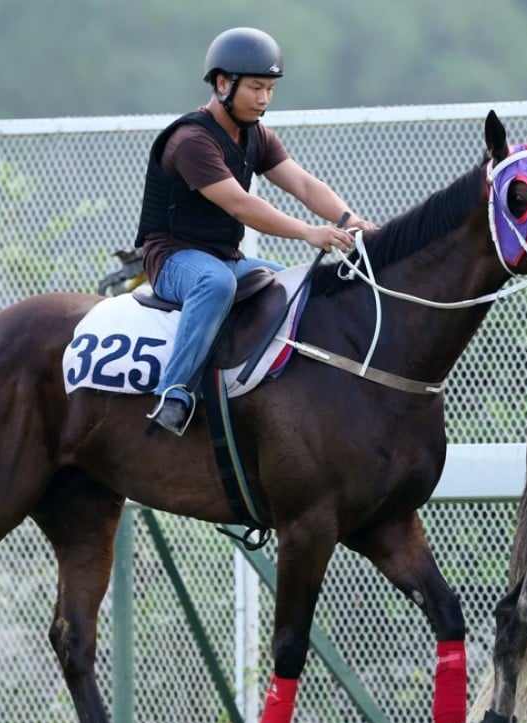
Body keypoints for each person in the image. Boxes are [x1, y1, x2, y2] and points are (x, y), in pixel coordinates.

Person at [136, 26, 376, 436]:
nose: (264, 99)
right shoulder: (191, 140)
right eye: (256, 88)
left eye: (270, 88)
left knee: (292, 285)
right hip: (173, 259)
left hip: (227, 259)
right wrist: (308, 232)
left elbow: (303, 184)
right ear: (224, 83)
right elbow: (240, 204)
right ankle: (173, 394)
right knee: (213, 285)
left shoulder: (255, 135)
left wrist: (346, 218)